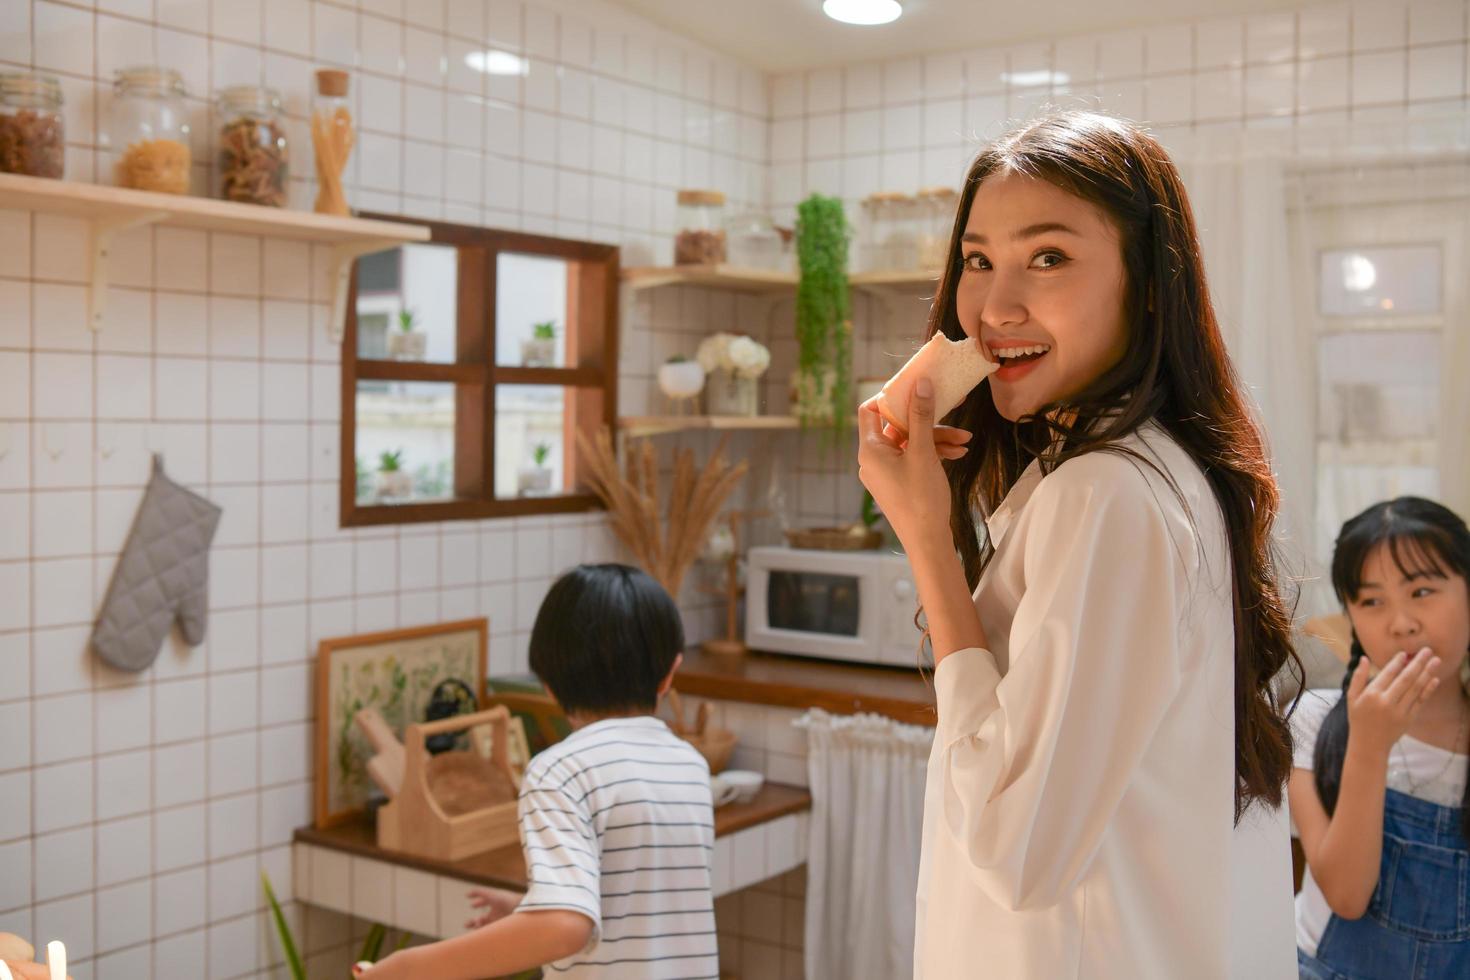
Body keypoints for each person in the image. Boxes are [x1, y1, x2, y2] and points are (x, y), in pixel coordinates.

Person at [857, 110, 1300, 978]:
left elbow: (1017, 851)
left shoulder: (1103, 494)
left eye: (1048, 257)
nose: (993, 306)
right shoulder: (1144, 471)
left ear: (1145, 284)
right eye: (978, 260)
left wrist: (925, 539)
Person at [361, 563, 718, 980]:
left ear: (546, 682)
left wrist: (406, 969)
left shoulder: (560, 770)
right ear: (669, 675)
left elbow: (563, 928)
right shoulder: (689, 763)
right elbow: (635, 907)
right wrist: (529, 908)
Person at [1290, 497, 1470, 979]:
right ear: (1351, 617)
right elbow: (1346, 897)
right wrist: (1369, 746)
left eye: (1422, 591)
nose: (1402, 623)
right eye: (1372, 601)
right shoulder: (1313, 720)